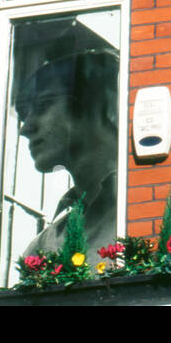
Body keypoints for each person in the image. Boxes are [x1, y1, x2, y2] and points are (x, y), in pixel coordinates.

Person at [16, 47, 119, 259]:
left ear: (104, 103)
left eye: (43, 105)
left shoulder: (168, 209)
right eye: (25, 115)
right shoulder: (43, 247)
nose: (25, 128)